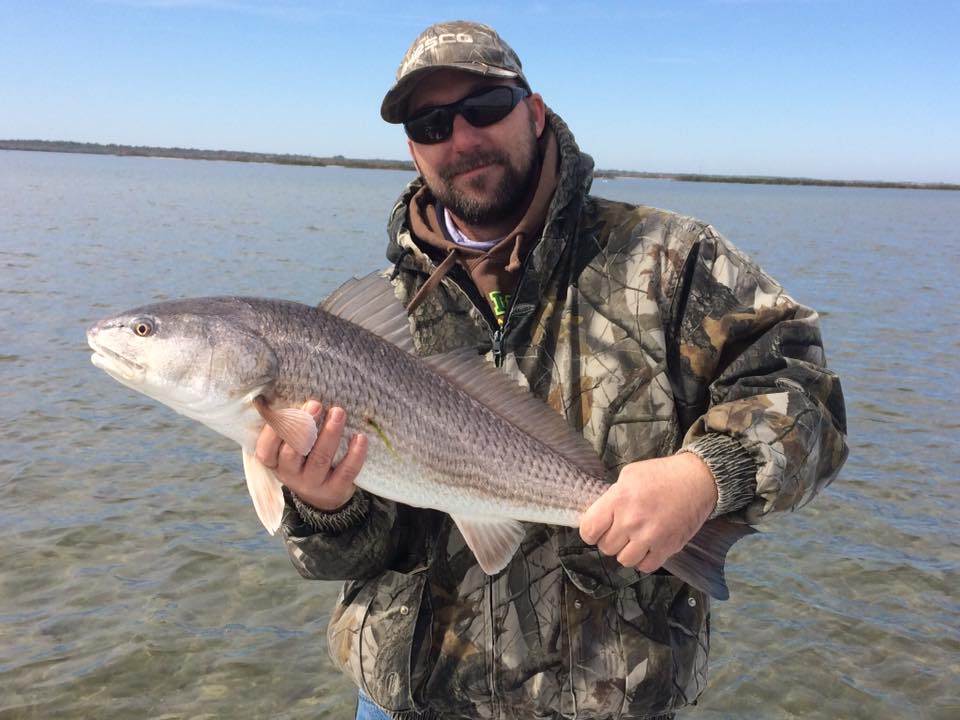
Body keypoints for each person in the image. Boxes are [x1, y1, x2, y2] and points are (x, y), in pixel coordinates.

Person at [256, 20, 848, 720]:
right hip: (402, 704)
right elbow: (348, 558)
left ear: (534, 112)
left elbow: (806, 393)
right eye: (432, 122)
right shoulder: (372, 320)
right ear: (413, 149)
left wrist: (707, 476)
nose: (462, 138)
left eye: (484, 109)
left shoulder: (669, 259)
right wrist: (328, 507)